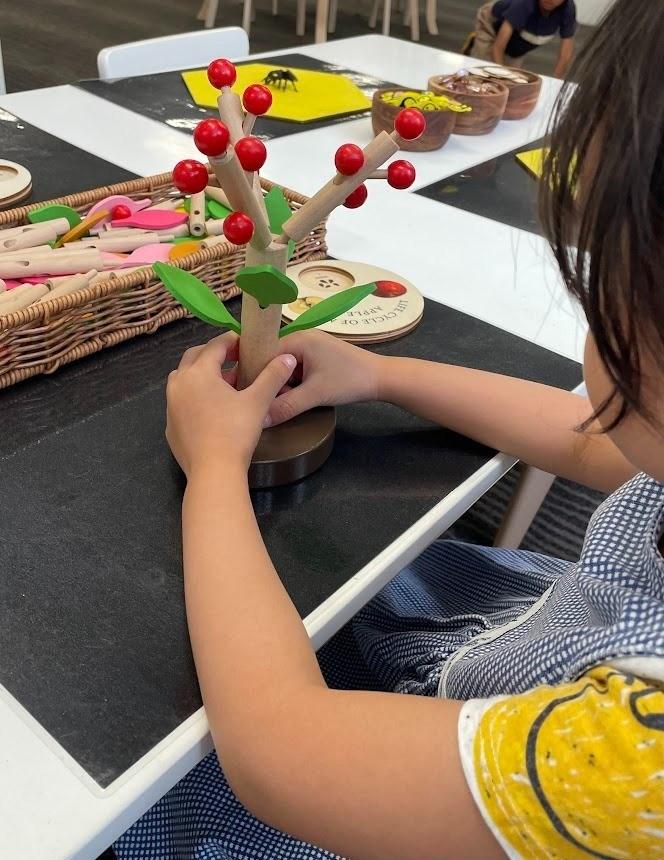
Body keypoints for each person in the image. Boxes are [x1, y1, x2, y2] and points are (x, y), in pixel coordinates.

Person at [115, 1, 664, 857]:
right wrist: (382, 375)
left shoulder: (633, 768)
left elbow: (283, 755)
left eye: (604, 297)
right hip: (516, 644)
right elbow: (596, 438)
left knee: (145, 794)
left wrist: (216, 467)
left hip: (428, 777)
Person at [469, 0, 576, 78]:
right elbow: (498, 47)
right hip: (492, 24)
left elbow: (565, 54)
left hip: (519, 41)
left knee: (513, 78)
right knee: (484, 70)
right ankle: (474, 47)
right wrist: (503, 74)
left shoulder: (568, 9)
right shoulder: (523, 4)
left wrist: (555, 82)